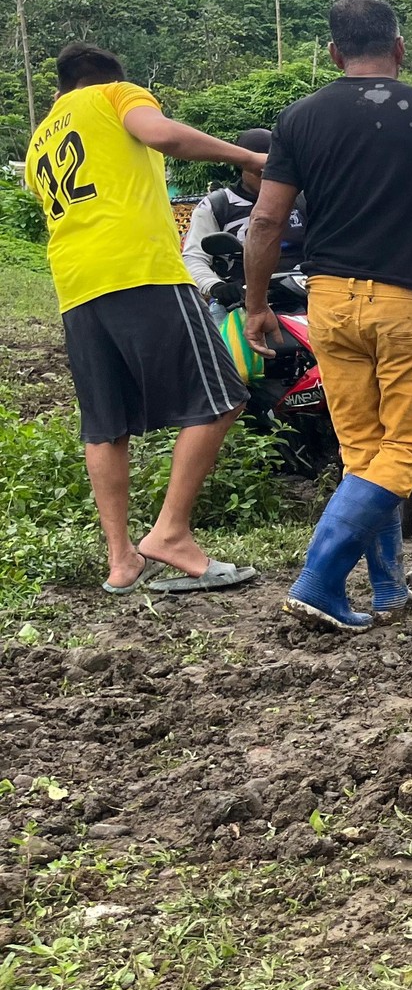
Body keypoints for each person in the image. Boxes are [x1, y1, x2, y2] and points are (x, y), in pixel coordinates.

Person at [244, 0, 412, 632]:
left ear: (334, 53)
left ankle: (389, 590)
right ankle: (319, 579)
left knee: (364, 454)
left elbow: (266, 220)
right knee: (404, 450)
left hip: (328, 301)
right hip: (406, 305)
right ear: (400, 49)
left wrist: (256, 303)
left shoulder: (298, 119)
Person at [22, 43, 268, 594]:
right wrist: (251, 158)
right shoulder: (115, 95)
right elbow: (161, 135)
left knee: (106, 425)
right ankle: (170, 533)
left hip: (76, 287)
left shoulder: (39, 140)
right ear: (111, 77)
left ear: (60, 90)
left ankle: (122, 560)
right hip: (141, 271)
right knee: (225, 395)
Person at [181, 129, 309, 319]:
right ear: (242, 166)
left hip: (303, 300)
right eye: (260, 171)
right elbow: (194, 257)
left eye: (276, 169)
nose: (269, 176)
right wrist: (217, 286)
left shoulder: (302, 200)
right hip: (238, 305)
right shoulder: (217, 205)